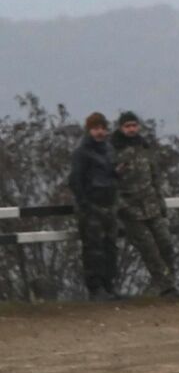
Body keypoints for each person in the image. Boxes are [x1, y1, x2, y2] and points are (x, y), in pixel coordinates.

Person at [110, 111, 179, 297]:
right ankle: (164, 287)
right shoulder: (112, 150)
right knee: (149, 249)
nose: (131, 129)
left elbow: (154, 175)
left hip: (152, 206)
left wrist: (161, 201)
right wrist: (122, 207)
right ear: (120, 128)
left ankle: (170, 282)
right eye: (127, 126)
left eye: (134, 125)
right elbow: (109, 183)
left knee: (166, 243)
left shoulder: (144, 147)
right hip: (130, 210)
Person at [67, 112, 120, 300]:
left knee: (110, 248)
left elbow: (110, 175)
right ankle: (95, 288)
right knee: (93, 249)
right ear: (89, 130)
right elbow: (75, 180)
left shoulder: (108, 150)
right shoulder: (81, 153)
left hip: (108, 205)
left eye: (102, 128)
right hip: (91, 208)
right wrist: (84, 204)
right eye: (96, 128)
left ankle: (109, 286)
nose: (100, 132)